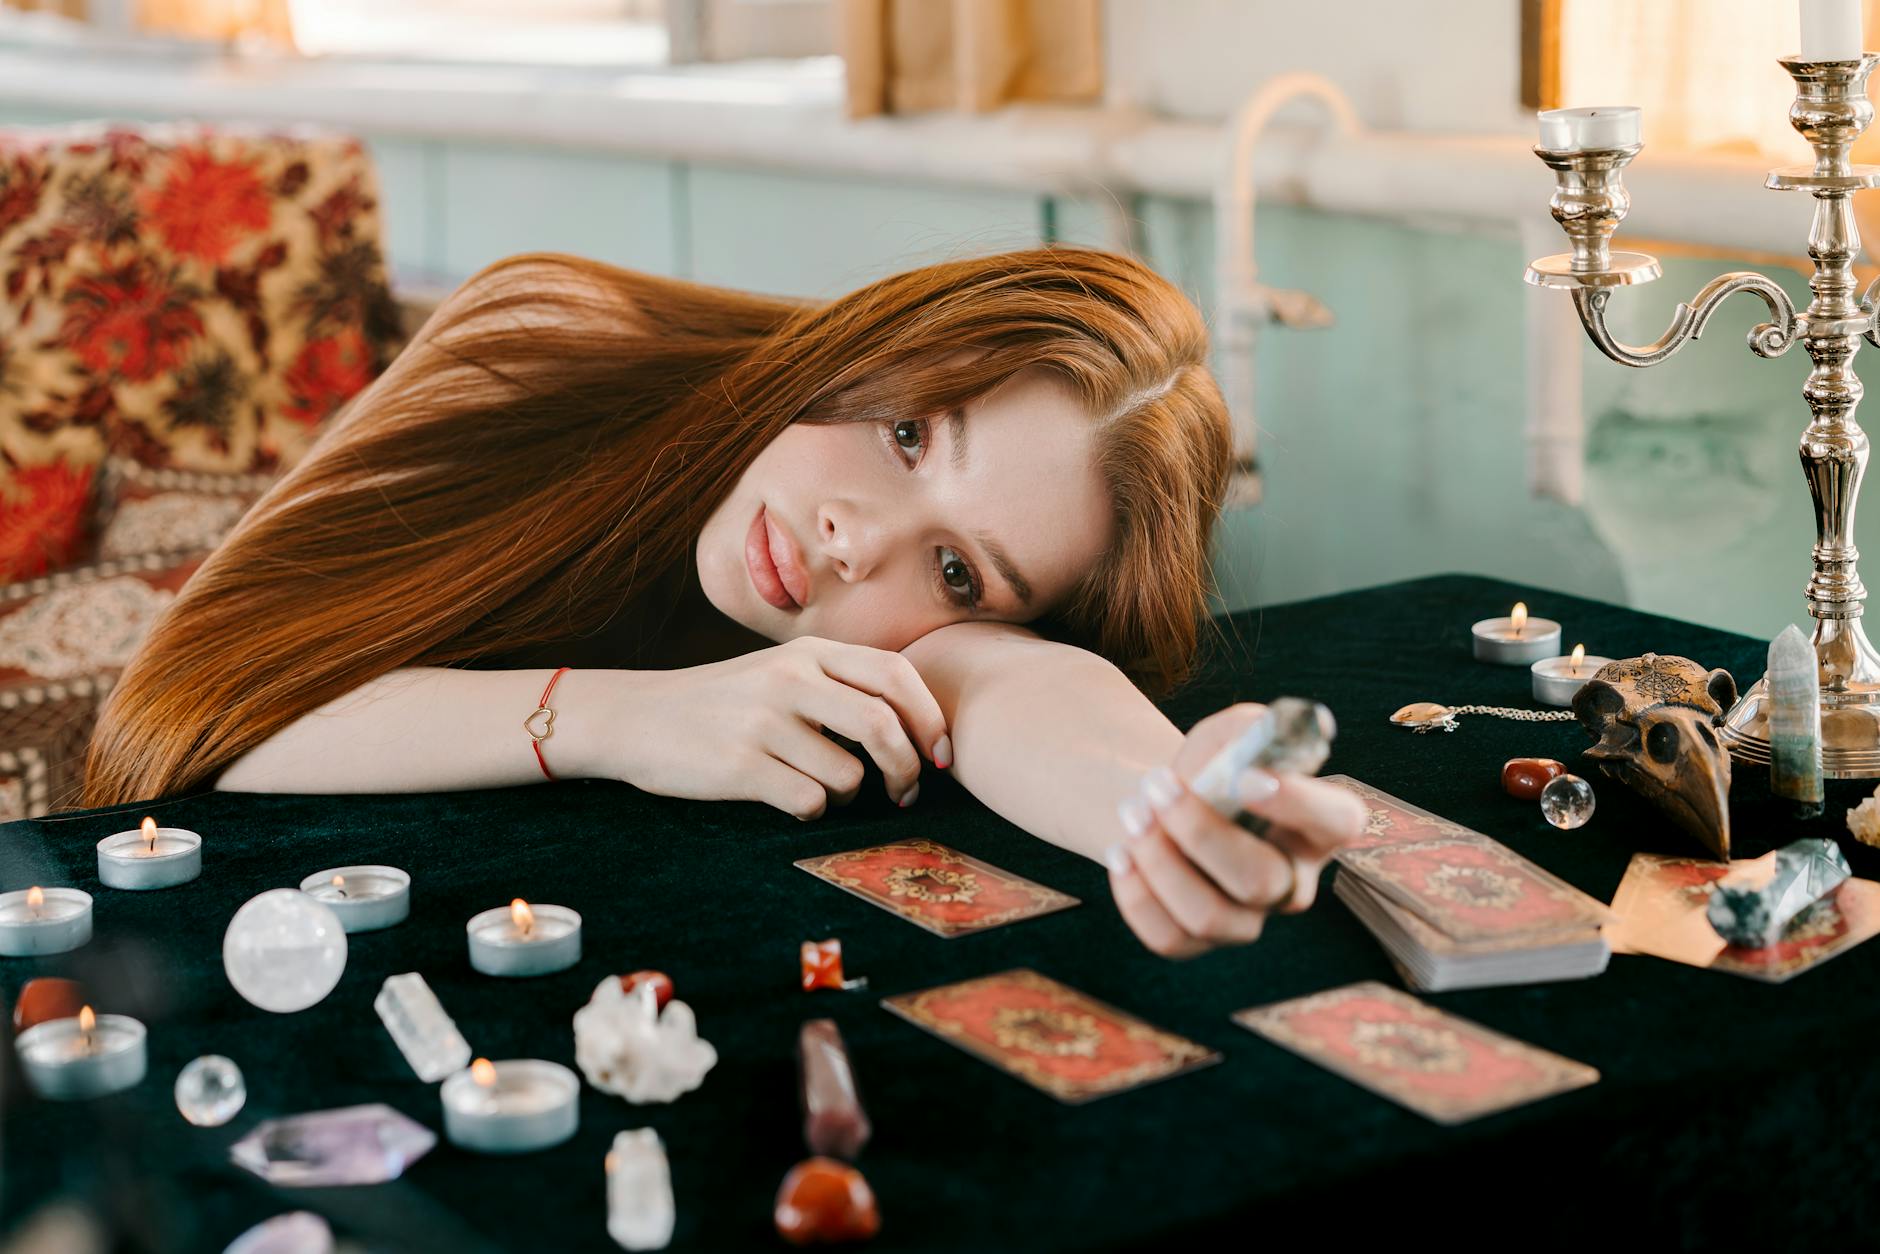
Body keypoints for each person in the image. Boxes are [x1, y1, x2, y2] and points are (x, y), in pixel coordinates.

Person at [83, 247, 1365, 958]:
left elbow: (1018, 694)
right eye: (910, 432)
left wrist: (1164, 812)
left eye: (961, 572)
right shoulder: (527, 334)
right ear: (875, 341)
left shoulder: (926, 642)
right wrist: (624, 721)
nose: (853, 542)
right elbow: (186, 715)